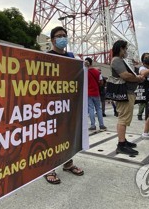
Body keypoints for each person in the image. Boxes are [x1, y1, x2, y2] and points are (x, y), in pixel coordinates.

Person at [44, 26, 84, 184]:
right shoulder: (46, 57)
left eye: (65, 35)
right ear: (53, 39)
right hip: (51, 104)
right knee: (52, 136)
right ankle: (49, 168)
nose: (63, 38)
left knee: (67, 134)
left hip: (67, 104)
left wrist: (85, 65)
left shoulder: (72, 57)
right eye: (59, 36)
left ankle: (68, 163)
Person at [111, 40, 145, 155]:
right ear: (120, 48)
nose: (126, 51)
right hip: (124, 92)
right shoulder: (116, 60)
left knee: (125, 118)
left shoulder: (120, 60)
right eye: (125, 48)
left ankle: (123, 141)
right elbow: (125, 75)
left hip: (128, 92)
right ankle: (121, 144)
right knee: (123, 118)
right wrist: (138, 78)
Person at [85, 57, 106, 131]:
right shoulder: (97, 72)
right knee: (99, 109)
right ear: (92, 63)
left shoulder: (85, 72)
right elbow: (101, 82)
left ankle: (93, 125)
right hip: (96, 93)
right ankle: (101, 125)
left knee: (91, 109)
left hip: (88, 93)